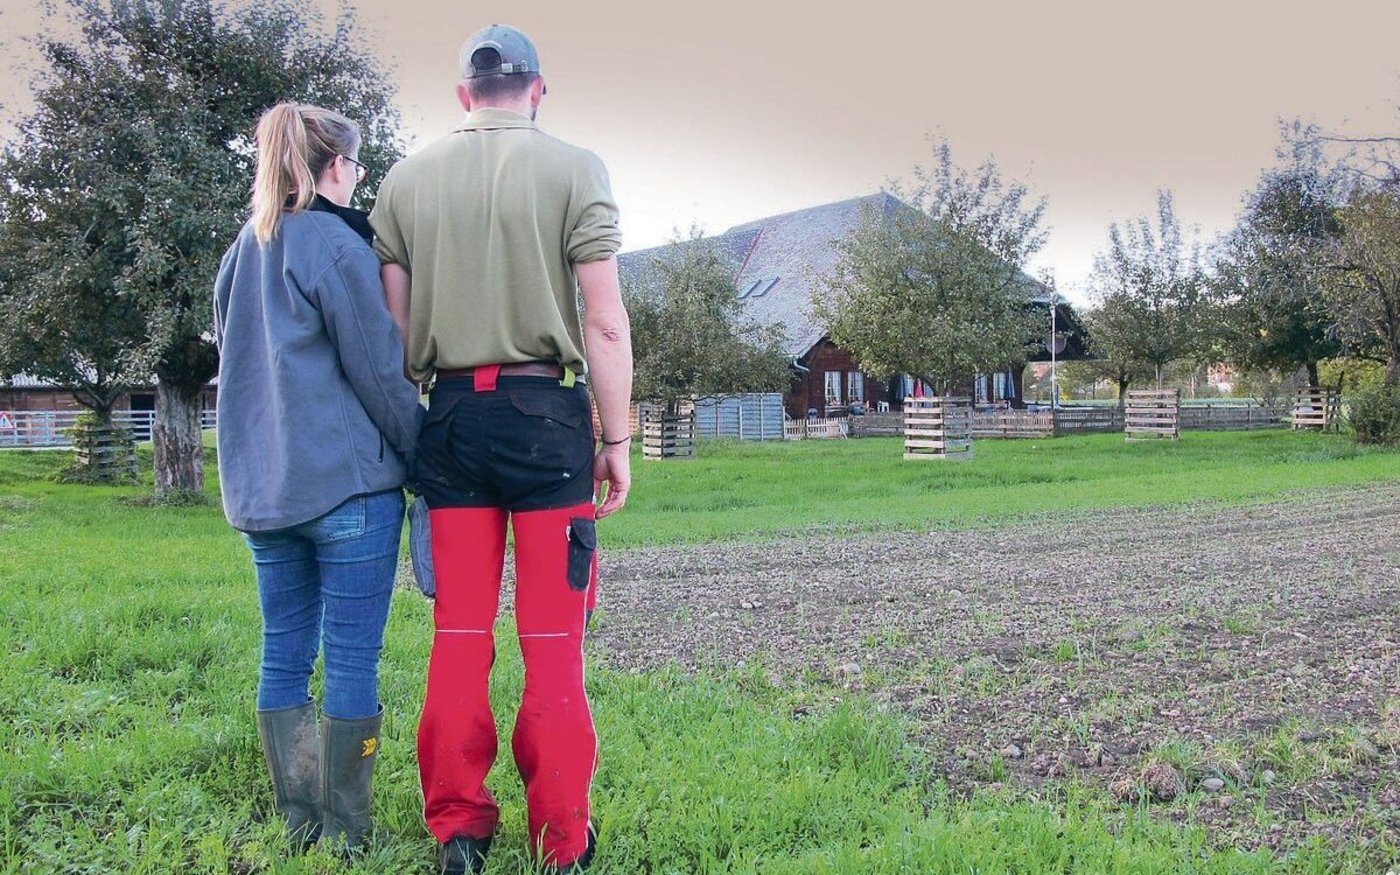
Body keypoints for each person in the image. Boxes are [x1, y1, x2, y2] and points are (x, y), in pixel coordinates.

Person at [369, 24, 632, 875]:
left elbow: (394, 329)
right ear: (537, 90)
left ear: (462, 98)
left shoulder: (405, 181)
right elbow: (603, 321)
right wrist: (617, 436)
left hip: (448, 419)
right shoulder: (576, 170)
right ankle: (561, 839)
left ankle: (459, 829)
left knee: (459, 633)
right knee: (552, 640)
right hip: (545, 423)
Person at [213, 102, 424, 853]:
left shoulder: (244, 248)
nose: (359, 176)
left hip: (263, 493)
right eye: (356, 164)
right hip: (347, 490)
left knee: (283, 649)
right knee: (352, 655)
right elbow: (379, 369)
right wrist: (421, 447)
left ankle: (299, 821)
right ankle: (348, 831)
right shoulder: (334, 245)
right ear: (335, 167)